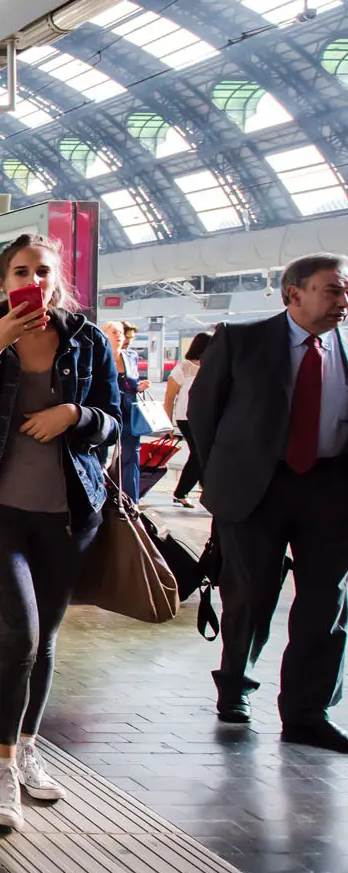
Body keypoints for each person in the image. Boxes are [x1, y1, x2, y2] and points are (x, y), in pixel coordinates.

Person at [0, 233, 119, 829]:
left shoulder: (86, 339)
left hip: (69, 513)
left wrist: (75, 415)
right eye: (21, 270)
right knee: (18, 633)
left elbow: (116, 421)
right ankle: (3, 767)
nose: (32, 279)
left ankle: (32, 746)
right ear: (3, 279)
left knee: (45, 641)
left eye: (43, 270)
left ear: (58, 276)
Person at [188, 254, 348, 748]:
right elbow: (203, 414)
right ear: (292, 294)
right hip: (257, 487)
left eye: (345, 292)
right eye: (332, 290)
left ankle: (307, 711)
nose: (342, 301)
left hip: (331, 486)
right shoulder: (242, 340)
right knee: (251, 594)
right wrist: (220, 477)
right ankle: (235, 687)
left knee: (328, 603)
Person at [162, 332, 211, 508]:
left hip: (206, 418)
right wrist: (167, 423)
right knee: (198, 454)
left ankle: (203, 487)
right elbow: (169, 397)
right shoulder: (183, 368)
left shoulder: (212, 366)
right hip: (186, 418)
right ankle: (182, 492)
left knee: (203, 454)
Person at [102, 321, 142, 502]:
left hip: (130, 412)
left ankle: (130, 500)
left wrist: (140, 386)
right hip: (106, 411)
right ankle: (101, 495)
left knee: (131, 455)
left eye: (120, 332)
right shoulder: (99, 356)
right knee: (100, 454)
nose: (119, 335)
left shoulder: (131, 356)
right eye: (113, 332)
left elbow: (132, 383)